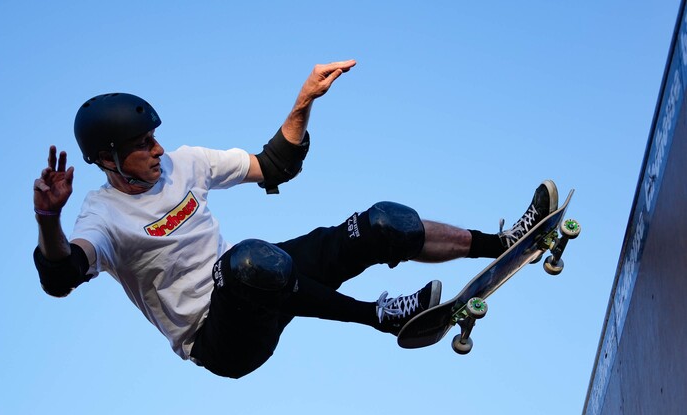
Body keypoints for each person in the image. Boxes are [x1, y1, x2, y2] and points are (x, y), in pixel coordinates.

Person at [33, 60, 558, 379]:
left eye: (154, 138)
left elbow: (274, 164)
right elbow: (61, 275)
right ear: (107, 159)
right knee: (250, 263)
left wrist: (304, 100)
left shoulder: (184, 163)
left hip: (269, 280)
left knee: (379, 224)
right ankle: (380, 315)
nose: (158, 150)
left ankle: (507, 240)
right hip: (220, 338)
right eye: (142, 147)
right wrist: (48, 221)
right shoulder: (102, 215)